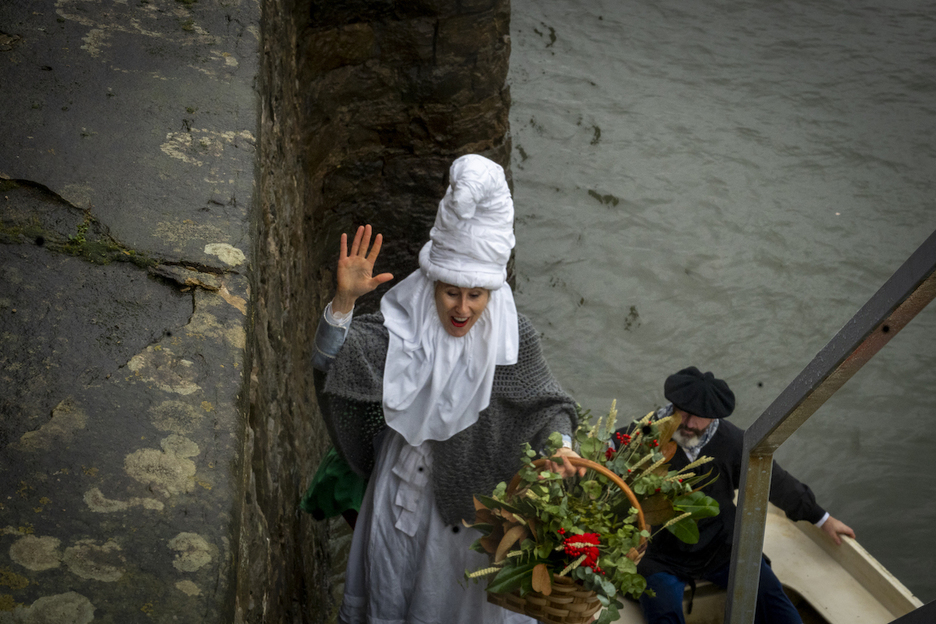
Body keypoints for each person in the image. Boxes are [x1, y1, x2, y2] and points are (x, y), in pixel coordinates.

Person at [310, 154, 584, 624]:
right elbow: (333, 365)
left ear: (492, 292)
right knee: (387, 598)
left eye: (475, 295)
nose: (461, 307)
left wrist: (561, 448)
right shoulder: (403, 328)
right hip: (396, 500)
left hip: (467, 525)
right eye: (450, 291)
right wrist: (344, 302)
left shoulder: (515, 340)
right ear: (432, 283)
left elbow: (549, 407)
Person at [623, 366, 856, 624]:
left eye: (697, 417)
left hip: (722, 548)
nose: (688, 424)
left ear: (713, 417)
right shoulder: (643, 435)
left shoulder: (733, 442)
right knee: (663, 615)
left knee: (778, 606)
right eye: (683, 413)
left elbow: (774, 481)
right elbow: (606, 463)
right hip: (661, 554)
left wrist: (822, 518)